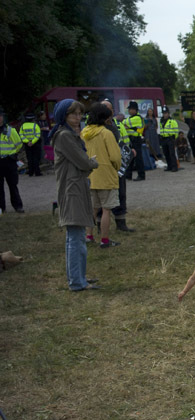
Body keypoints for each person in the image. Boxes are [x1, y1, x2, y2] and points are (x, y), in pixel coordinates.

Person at [50, 99, 100, 291]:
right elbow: (83, 163)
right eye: (74, 114)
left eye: (80, 114)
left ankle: (79, 277)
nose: (78, 118)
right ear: (64, 116)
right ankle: (77, 282)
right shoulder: (64, 136)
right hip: (72, 190)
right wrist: (92, 163)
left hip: (76, 187)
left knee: (76, 236)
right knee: (76, 236)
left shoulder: (70, 134)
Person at [82, 103, 122, 249]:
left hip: (89, 176)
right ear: (104, 118)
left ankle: (88, 235)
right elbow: (115, 157)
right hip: (105, 176)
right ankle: (104, 240)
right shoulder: (106, 133)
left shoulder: (84, 132)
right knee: (106, 209)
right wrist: (116, 168)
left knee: (92, 208)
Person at [101, 100, 135, 233]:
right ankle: (100, 226)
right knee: (101, 196)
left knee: (121, 194)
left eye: (109, 109)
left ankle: (121, 223)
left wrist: (130, 151)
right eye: (104, 108)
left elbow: (125, 142)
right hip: (103, 167)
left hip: (119, 166)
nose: (107, 112)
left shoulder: (119, 126)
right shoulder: (96, 128)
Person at [0, 106, 25, 213]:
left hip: (9, 161)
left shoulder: (10, 130)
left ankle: (18, 206)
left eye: (0, 116)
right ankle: (1, 208)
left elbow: (18, 145)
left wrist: (10, 153)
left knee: (13, 185)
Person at [124, 101, 146, 181]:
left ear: (134, 110)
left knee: (138, 158)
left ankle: (141, 175)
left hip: (136, 140)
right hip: (131, 140)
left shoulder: (137, 118)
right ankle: (128, 175)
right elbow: (124, 124)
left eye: (130, 109)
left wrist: (125, 124)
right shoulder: (130, 118)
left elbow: (124, 123)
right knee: (130, 158)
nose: (129, 111)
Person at [159, 106, 179, 172]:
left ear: (168, 113)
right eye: (164, 113)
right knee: (166, 153)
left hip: (170, 139)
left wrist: (174, 139)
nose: (165, 114)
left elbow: (176, 131)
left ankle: (174, 167)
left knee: (172, 154)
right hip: (163, 139)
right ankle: (169, 166)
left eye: (166, 113)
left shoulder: (172, 121)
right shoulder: (161, 121)